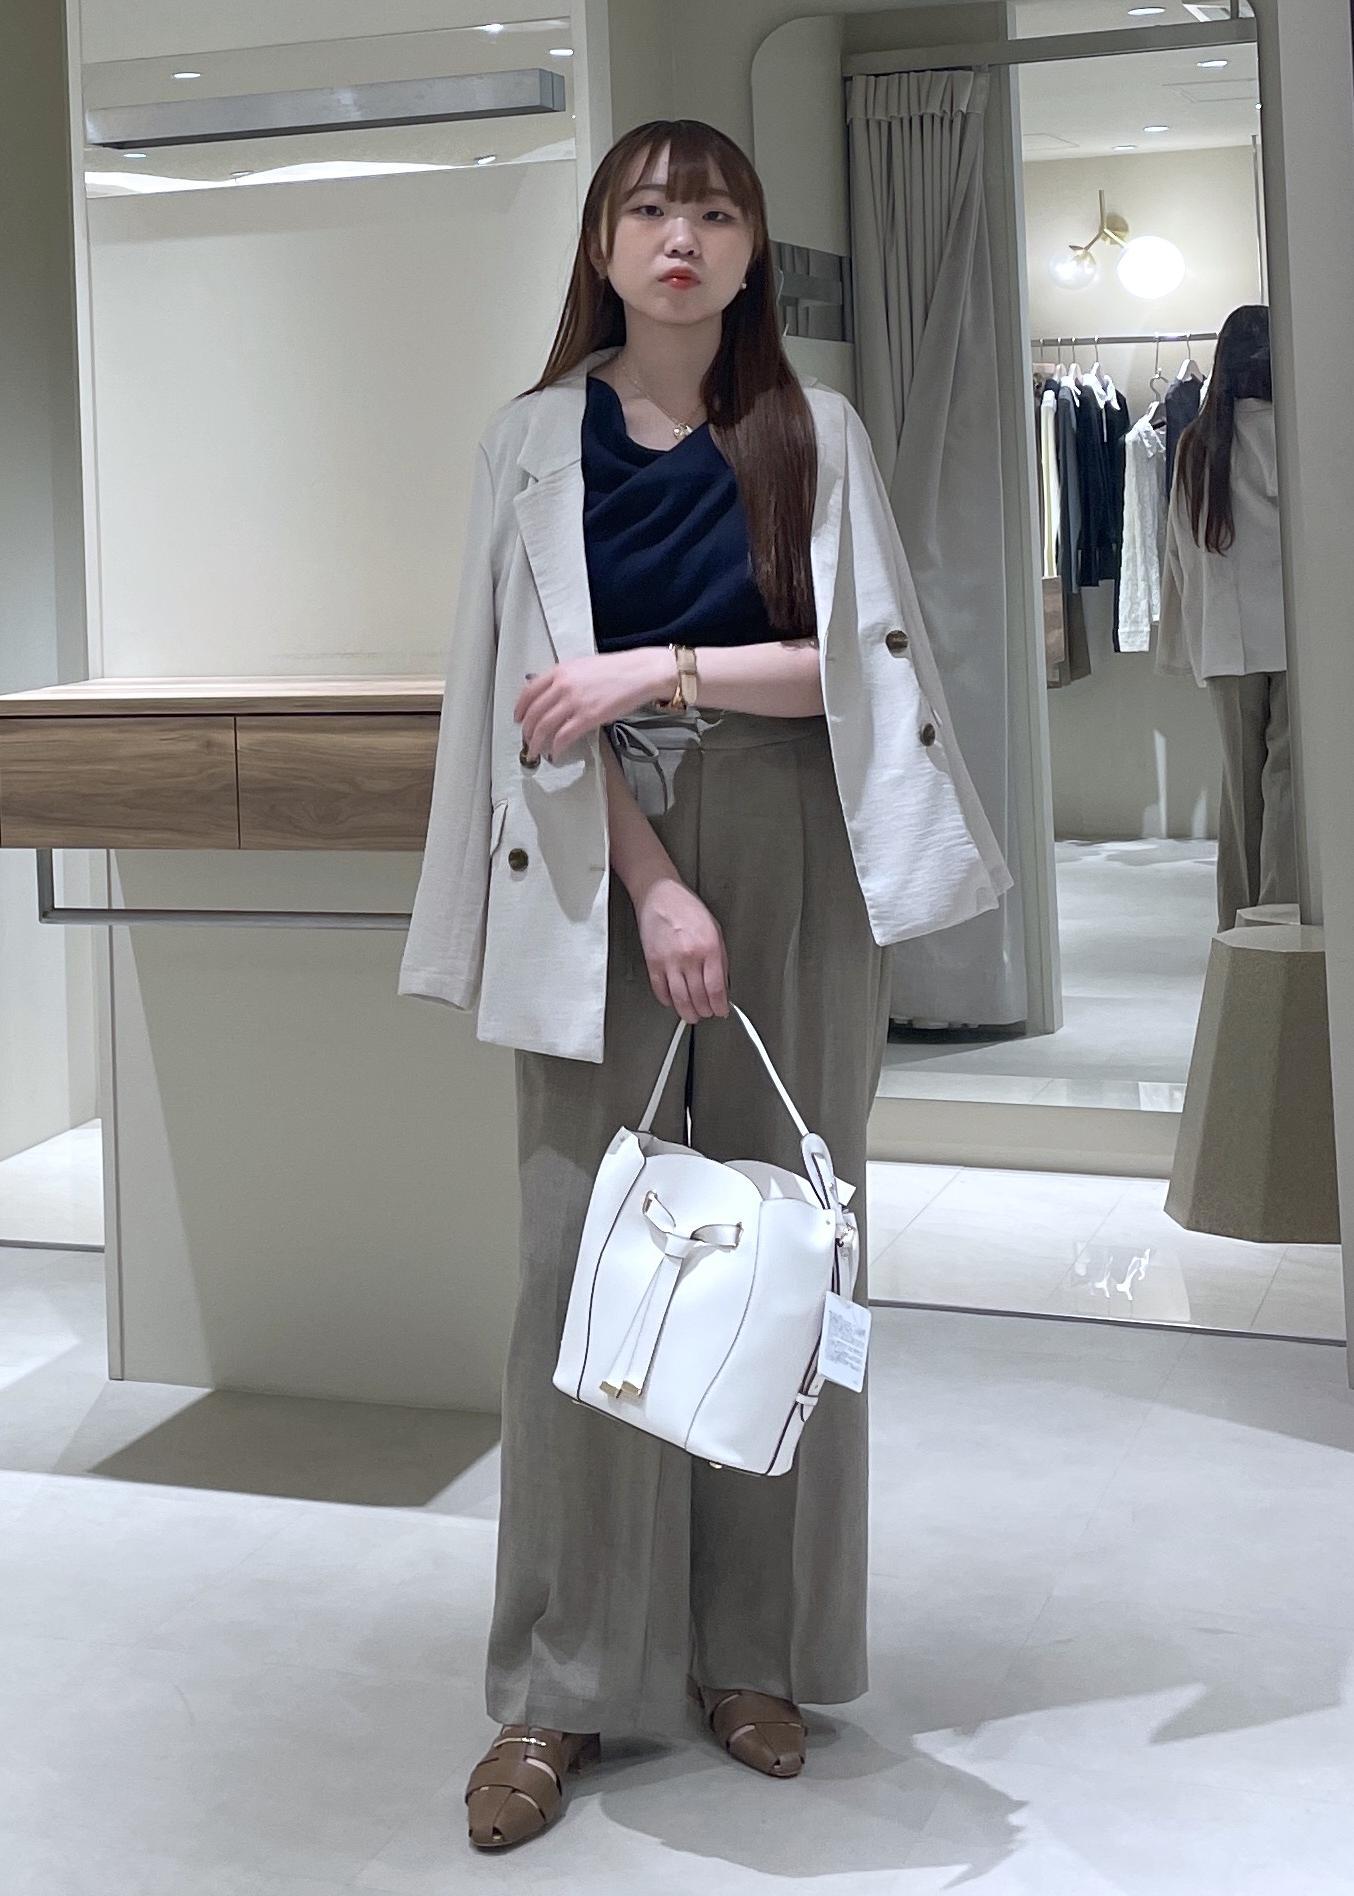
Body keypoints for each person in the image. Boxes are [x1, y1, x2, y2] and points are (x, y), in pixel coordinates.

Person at [397, 117, 1011, 1854]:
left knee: (784, 1257)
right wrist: (654, 881)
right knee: (576, 1269)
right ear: (600, 245)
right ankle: (560, 1680)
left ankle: (759, 1652)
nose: (680, 236)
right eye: (648, 208)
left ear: (750, 252)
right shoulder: (530, 441)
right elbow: (529, 697)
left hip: (791, 838)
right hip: (591, 855)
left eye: (714, 211)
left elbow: (856, 672)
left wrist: (656, 668)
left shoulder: (812, 430)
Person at [1156, 304, 1296, 930]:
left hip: (1227, 643)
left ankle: (1237, 931)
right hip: (1296, 640)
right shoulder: (1297, 433)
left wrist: (1183, 645)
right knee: (1289, 788)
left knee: (1240, 796)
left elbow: (1179, 553)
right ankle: (1284, 923)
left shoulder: (1198, 443)